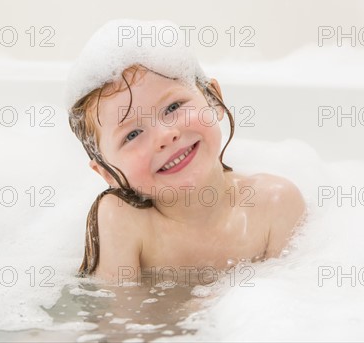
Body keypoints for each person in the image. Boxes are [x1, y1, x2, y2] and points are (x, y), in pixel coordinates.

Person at [67, 20, 306, 284]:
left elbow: (290, 310)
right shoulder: (124, 221)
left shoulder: (274, 205)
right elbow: (119, 320)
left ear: (214, 100)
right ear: (106, 173)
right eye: (132, 135)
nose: (165, 136)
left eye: (173, 107)